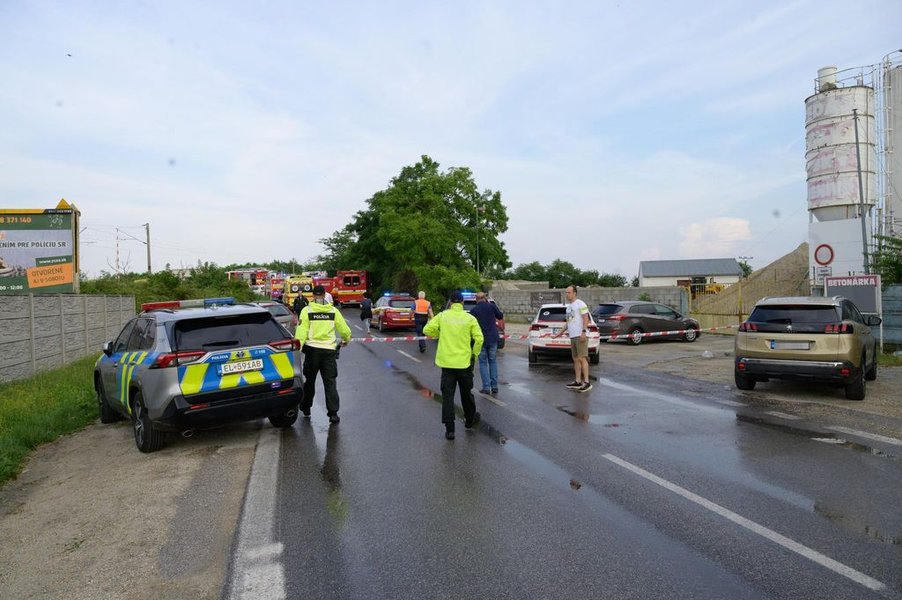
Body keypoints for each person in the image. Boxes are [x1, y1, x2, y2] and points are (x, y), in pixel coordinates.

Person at [423, 290, 484, 440]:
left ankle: (450, 430)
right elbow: (479, 339)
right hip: (464, 364)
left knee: (448, 396)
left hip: (447, 364)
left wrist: (440, 334)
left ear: (450, 302)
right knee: (466, 394)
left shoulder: (443, 316)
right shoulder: (469, 318)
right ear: (462, 303)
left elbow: (426, 329)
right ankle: (469, 421)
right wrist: (474, 354)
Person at [295, 285, 352, 424]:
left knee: (310, 382)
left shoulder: (306, 310)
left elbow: (301, 331)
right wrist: (346, 340)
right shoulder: (333, 311)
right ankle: (333, 414)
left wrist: (298, 348)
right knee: (330, 382)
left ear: (313, 295)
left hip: (312, 351)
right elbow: (344, 329)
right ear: (325, 294)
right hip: (329, 352)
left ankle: (306, 408)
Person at [555, 285, 593, 392]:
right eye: (566, 292)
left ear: (575, 293)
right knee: (575, 359)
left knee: (582, 358)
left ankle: (586, 382)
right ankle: (577, 381)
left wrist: (584, 332)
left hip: (580, 335)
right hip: (573, 336)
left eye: (569, 292)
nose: (567, 294)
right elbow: (568, 322)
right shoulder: (569, 307)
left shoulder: (581, 304)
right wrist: (559, 333)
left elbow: (586, 318)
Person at [470, 291, 504, 395]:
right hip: (493, 338)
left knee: (483, 363)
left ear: (476, 299)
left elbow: (470, 324)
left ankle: (486, 387)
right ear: (485, 298)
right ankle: (494, 386)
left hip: (481, 340)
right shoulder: (492, 306)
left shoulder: (474, 310)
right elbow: (500, 316)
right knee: (492, 362)